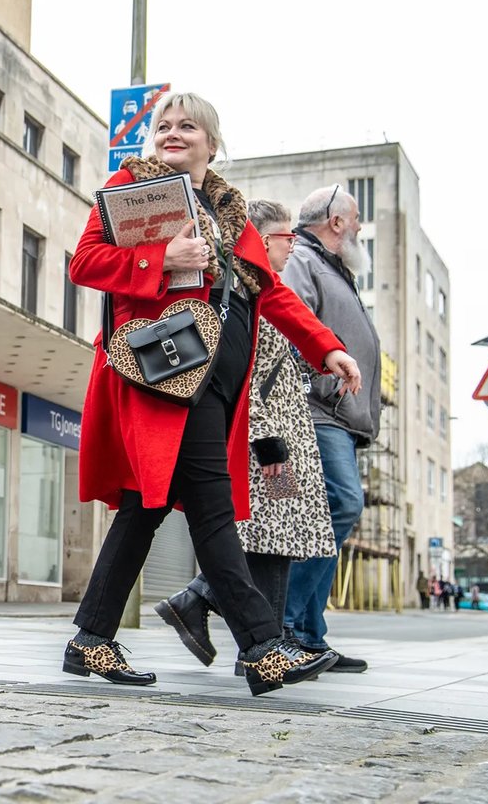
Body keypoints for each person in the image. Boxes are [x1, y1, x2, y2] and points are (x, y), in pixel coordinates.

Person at [65, 93, 359, 696]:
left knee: (143, 511)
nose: (173, 133)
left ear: (212, 142)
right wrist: (161, 258)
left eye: (187, 126)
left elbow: (270, 293)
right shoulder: (134, 186)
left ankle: (90, 640)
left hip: (218, 389)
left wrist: (325, 346)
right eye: (163, 126)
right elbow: (86, 263)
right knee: (213, 512)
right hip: (166, 378)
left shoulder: (231, 213)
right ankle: (263, 648)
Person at [152, 200, 337, 674]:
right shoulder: (252, 297)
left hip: (285, 442)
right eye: (283, 238)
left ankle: (215, 614)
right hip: (271, 449)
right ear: (259, 239)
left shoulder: (267, 291)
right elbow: (252, 381)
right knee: (272, 537)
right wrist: (270, 443)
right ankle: (257, 642)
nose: (291, 246)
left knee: (279, 536)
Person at [280, 184, 383, 673]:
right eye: (356, 217)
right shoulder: (304, 258)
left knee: (326, 522)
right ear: (336, 221)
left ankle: (310, 636)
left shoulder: (334, 266)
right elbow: (289, 321)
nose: (360, 226)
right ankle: (281, 624)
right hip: (322, 410)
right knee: (342, 504)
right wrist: (323, 374)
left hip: (342, 416)